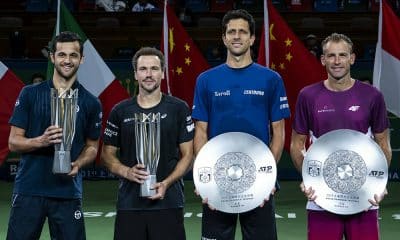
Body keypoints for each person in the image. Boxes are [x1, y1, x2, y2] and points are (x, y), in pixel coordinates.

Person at [192, 9, 290, 240]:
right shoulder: (206, 80)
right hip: (217, 180)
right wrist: (203, 177)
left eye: (242, 32)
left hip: (259, 181)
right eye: (231, 32)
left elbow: (278, 133)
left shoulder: (271, 79)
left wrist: (266, 176)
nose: (237, 36)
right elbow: (201, 131)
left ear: (252, 38)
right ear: (224, 38)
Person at [290, 33, 392, 240]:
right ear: (323, 60)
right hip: (321, 197)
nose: (337, 61)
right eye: (331, 55)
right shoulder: (307, 96)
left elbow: (383, 144)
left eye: (342, 55)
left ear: (352, 58)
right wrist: (309, 180)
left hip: (363, 196)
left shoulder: (372, 95)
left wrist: (379, 184)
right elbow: (296, 144)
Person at [6, 31, 102, 239]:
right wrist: (40, 141)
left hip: (67, 192)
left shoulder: (90, 102)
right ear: (52, 57)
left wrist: (78, 164)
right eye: (61, 55)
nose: (67, 61)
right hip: (30, 190)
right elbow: (13, 142)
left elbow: (92, 146)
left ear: (81, 59)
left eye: (73, 55)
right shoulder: (30, 94)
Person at [101, 47, 194, 240]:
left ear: (162, 73)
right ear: (135, 74)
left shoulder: (178, 108)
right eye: (143, 69)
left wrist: (167, 183)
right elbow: (106, 155)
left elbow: (188, 155)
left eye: (154, 68)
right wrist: (127, 171)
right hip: (130, 204)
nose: (149, 74)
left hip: (169, 202)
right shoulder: (121, 111)